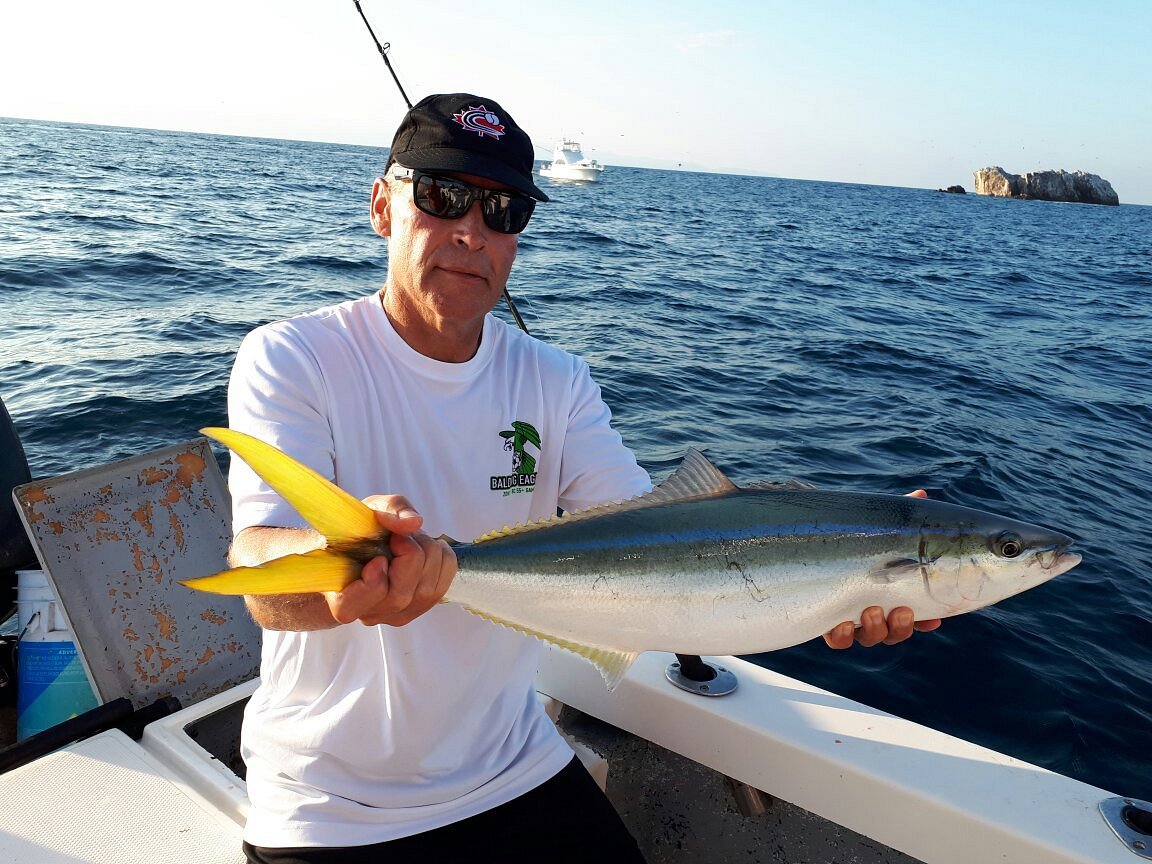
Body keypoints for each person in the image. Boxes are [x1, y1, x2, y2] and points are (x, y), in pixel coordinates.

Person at [226, 92, 939, 864]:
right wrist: (347, 573)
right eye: (443, 196)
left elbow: (655, 540)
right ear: (382, 206)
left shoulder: (557, 381)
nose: (472, 229)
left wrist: (841, 566)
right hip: (331, 806)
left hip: (515, 768)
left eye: (504, 211)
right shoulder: (294, 357)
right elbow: (263, 576)